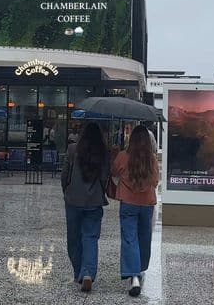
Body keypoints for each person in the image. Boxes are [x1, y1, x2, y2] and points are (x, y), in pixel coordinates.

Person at [111, 125, 159, 297]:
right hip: (147, 204)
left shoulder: (124, 156)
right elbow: (155, 182)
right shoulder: (152, 159)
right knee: (144, 238)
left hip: (128, 204)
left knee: (129, 238)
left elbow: (114, 172)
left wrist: (114, 154)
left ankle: (134, 276)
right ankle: (139, 269)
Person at [61, 122, 109, 292]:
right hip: (94, 201)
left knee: (73, 238)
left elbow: (65, 174)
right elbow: (104, 177)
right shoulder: (103, 153)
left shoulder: (73, 149)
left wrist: (67, 190)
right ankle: (87, 273)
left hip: (73, 199)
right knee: (90, 237)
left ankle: (77, 272)